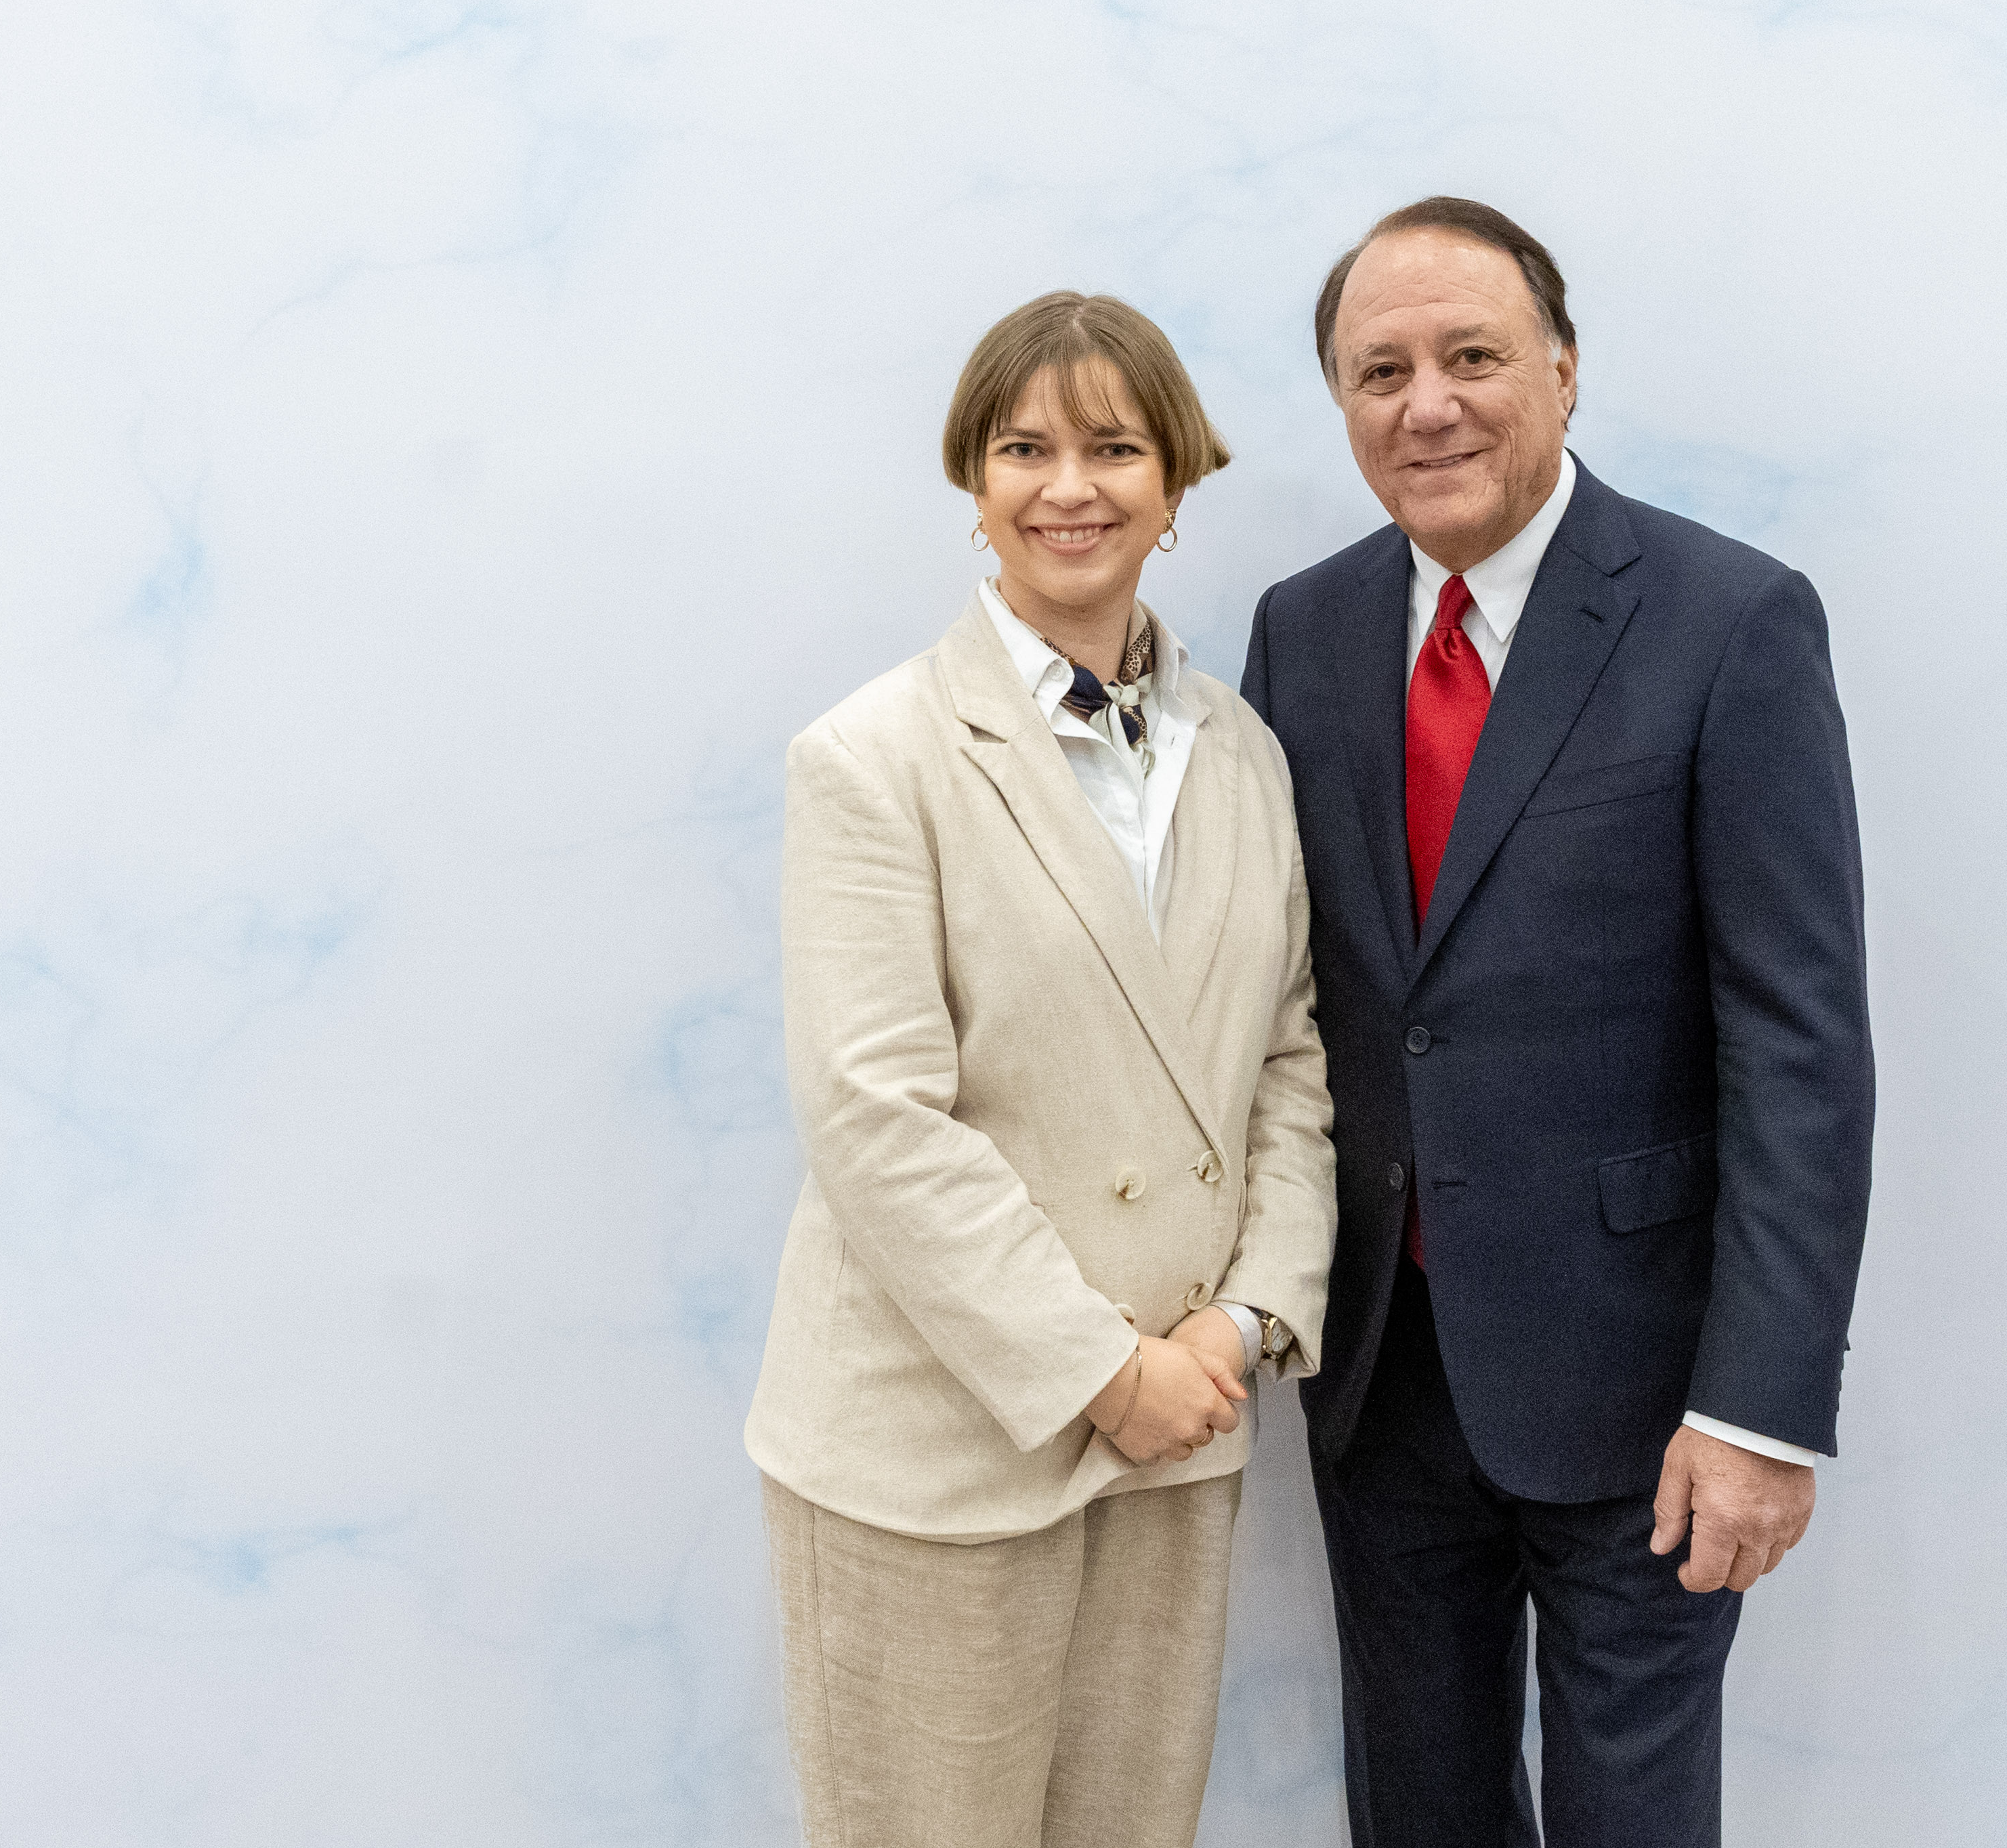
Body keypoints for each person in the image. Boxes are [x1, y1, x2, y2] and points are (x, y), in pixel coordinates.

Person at [1241, 199, 1874, 1845]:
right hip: (1385, 1385)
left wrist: (1758, 1410)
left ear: (1566, 370)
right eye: (1381, 371)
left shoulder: (1730, 622)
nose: (1428, 405)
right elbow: (1290, 996)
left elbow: (1800, 1044)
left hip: (1646, 1396)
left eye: (1473, 356)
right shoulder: (1301, 633)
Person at [746, 291, 1340, 1848]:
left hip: (1182, 1430)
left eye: (1114, 448)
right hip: (939, 1447)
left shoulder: (1244, 752)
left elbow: (1289, 1061)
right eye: (1024, 449)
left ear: (1175, 482)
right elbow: (877, 1120)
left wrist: (1238, 1326)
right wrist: (1103, 1374)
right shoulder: (873, 757)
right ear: (974, 480)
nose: (1068, 487)